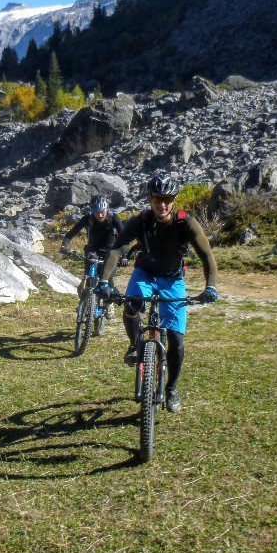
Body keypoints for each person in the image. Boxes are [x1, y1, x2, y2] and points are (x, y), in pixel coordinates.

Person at [97, 173, 218, 414]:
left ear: (174, 200)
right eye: (156, 199)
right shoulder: (139, 221)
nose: (162, 204)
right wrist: (103, 280)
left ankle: (171, 388)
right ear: (150, 200)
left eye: (167, 199)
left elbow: (206, 256)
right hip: (144, 273)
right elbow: (117, 249)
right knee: (131, 304)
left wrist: (211, 286)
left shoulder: (186, 223)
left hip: (173, 279)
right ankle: (134, 345)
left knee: (176, 339)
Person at [60, 195, 124, 325]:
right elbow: (72, 232)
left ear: (106, 209)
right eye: (96, 213)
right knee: (87, 277)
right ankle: (85, 301)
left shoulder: (113, 218)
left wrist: (123, 255)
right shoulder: (88, 218)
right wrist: (64, 245)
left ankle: (108, 303)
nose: (100, 215)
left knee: (107, 279)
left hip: (110, 252)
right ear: (92, 211)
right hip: (92, 250)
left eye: (102, 212)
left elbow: (124, 235)